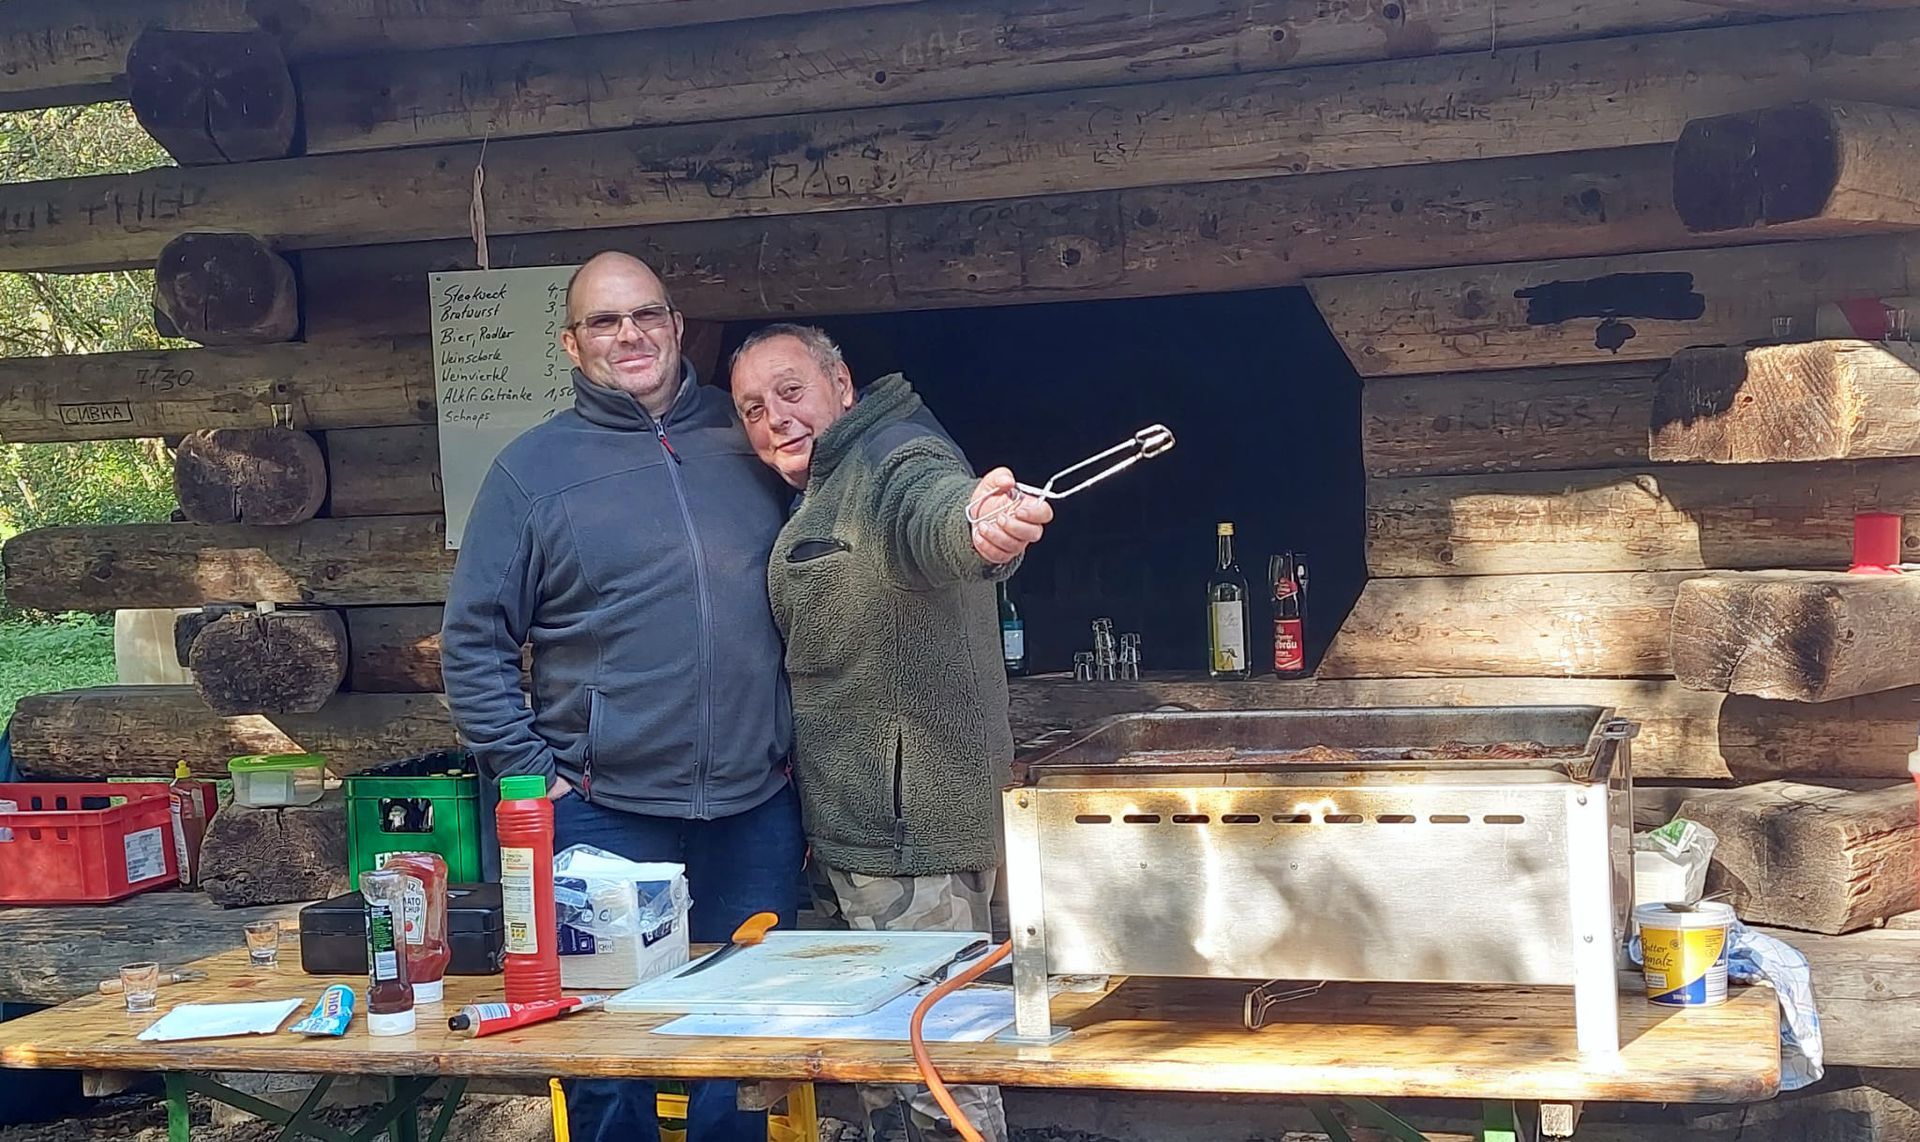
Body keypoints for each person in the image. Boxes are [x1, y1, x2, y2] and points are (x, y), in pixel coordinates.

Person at [441, 252, 802, 1142]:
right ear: (572, 344)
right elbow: (472, 641)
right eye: (604, 323)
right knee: (607, 1051)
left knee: (743, 1041)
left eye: (646, 315)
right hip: (603, 812)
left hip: (753, 805)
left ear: (678, 326)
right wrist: (535, 772)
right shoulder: (530, 472)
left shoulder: (749, 438)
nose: (629, 335)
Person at [728, 324, 1052, 1142]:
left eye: (791, 391)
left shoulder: (892, 457)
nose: (776, 419)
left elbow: (939, 511)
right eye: (753, 408)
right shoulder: (824, 483)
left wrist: (983, 527)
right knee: (879, 1071)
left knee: (940, 1075)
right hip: (853, 833)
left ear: (842, 381)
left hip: (916, 841)